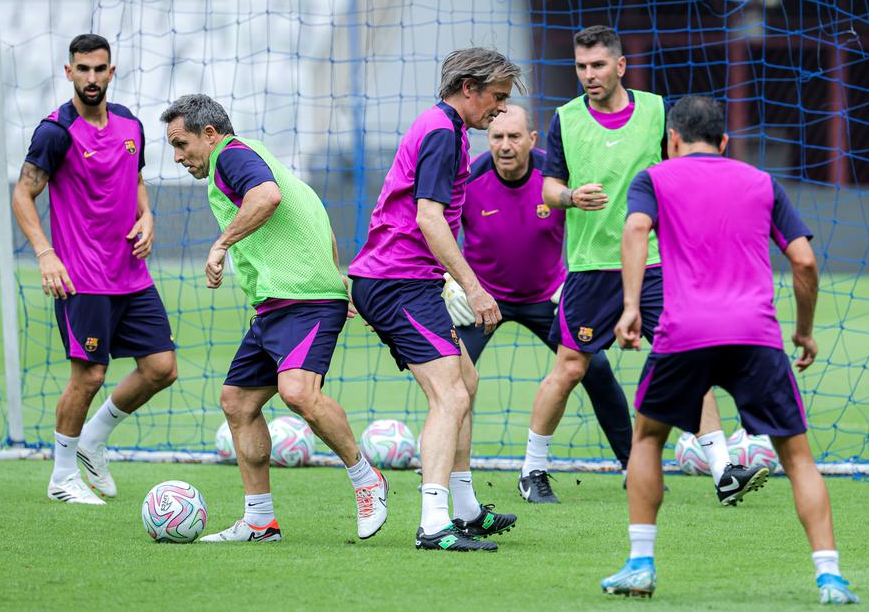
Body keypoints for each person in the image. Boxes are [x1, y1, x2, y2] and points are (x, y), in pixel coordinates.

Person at [600, 96, 858, 605]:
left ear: (672, 140)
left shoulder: (653, 179)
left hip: (684, 332)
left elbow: (634, 229)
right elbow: (805, 261)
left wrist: (630, 307)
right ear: (723, 142)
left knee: (647, 439)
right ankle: (830, 577)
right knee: (797, 457)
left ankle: (641, 565)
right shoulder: (762, 183)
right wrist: (804, 331)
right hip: (754, 336)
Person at [518, 26, 738, 505]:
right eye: (581, 66)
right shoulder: (566, 119)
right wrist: (571, 197)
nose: (589, 74)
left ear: (620, 66)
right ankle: (533, 468)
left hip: (655, 263)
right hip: (591, 267)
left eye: (598, 65)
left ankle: (725, 470)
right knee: (570, 368)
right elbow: (548, 189)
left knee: (686, 356)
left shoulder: (657, 112)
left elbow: (683, 171)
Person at [160, 94, 387, 543]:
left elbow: (268, 197)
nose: (178, 157)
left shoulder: (231, 156)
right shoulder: (256, 155)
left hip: (304, 301)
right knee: (237, 403)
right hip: (277, 304)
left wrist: (221, 245)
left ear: (210, 134)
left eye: (181, 144)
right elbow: (313, 211)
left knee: (297, 392)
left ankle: (367, 480)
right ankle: (260, 521)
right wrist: (334, 272)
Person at [348, 47, 522, 551]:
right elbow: (428, 217)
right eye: (497, 97)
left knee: (466, 380)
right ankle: (434, 524)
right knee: (450, 395)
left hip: (401, 280)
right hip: (398, 282)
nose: (501, 109)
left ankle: (464, 509)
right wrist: (473, 287)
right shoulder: (443, 132)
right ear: (469, 88)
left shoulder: (445, 128)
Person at [12, 33, 177, 505]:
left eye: (99, 69)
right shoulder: (55, 132)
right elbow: (23, 193)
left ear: (111, 72)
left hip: (131, 273)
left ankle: (93, 438)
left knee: (161, 368)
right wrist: (45, 254)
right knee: (88, 376)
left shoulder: (131, 124)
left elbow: (136, 180)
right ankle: (62, 477)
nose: (91, 77)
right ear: (69, 72)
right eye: (82, 69)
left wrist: (147, 215)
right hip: (81, 278)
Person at [444, 104, 632, 474]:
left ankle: (632, 464)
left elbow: (594, 229)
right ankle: (444, 462)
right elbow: (438, 230)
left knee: (596, 368)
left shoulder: (555, 177)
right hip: (483, 300)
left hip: (548, 296)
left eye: (514, 136)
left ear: (532, 139)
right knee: (450, 378)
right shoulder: (468, 179)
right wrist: (451, 282)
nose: (505, 145)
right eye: (497, 136)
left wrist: (574, 281)